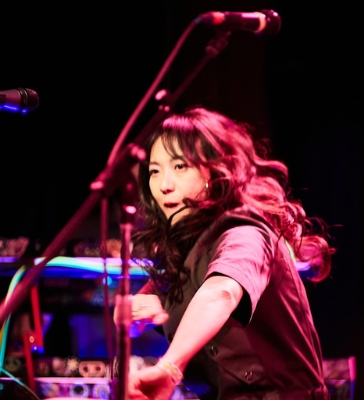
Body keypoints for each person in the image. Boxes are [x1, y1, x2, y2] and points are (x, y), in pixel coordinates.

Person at [113, 106, 333, 400]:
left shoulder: (245, 232)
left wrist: (170, 367)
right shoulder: (186, 245)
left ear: (216, 170)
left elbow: (221, 292)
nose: (164, 185)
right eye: (155, 171)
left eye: (180, 166)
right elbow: (144, 303)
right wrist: (132, 311)